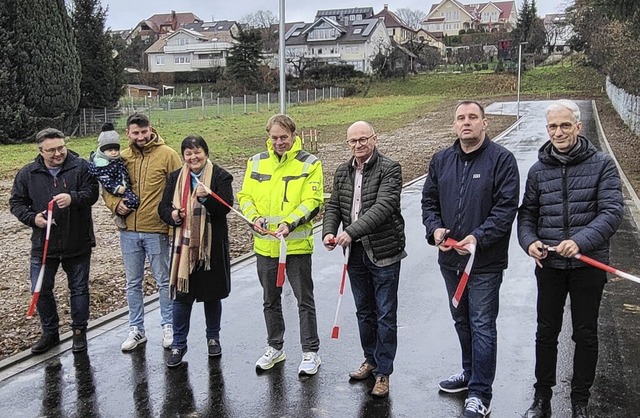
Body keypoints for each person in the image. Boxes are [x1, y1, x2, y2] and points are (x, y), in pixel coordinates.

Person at [518, 100, 624, 418]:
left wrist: (578, 242)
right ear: (547, 128)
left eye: (565, 125)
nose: (559, 131)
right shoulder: (538, 170)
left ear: (578, 127)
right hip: (549, 266)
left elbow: (611, 213)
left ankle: (580, 400)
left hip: (587, 265)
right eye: (553, 126)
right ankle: (542, 397)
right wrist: (530, 242)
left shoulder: (602, 165)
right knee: (546, 331)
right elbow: (527, 215)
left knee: (585, 332)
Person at [421, 100, 520, 418]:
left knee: (481, 324)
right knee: (461, 320)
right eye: (461, 118)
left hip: (485, 264)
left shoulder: (502, 160)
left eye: (472, 117)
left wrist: (478, 237)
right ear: (454, 125)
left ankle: (480, 393)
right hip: (450, 261)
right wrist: (435, 230)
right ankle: (468, 373)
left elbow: (506, 209)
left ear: (484, 123)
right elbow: (428, 201)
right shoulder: (441, 160)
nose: (466, 123)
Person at [322, 121, 406, 398]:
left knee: (385, 313)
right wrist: (329, 232)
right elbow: (334, 204)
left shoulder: (390, 168)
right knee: (364, 312)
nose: (358, 145)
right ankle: (370, 360)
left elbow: (384, 207)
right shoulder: (342, 171)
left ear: (374, 138)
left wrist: (350, 232)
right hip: (355, 253)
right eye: (353, 141)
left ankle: (384, 372)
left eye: (363, 139)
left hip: (384, 252)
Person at [237, 114, 324, 376]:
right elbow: (245, 196)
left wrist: (290, 223)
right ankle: (275, 347)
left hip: (295, 247)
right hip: (265, 247)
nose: (279, 142)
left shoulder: (310, 163)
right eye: (274, 137)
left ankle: (310, 352)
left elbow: (313, 200)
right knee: (269, 300)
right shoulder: (255, 162)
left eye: (284, 137)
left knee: (303, 300)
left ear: (293, 136)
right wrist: (254, 218)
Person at [10, 128, 99, 354]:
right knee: (40, 289)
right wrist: (34, 219)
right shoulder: (28, 173)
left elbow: (92, 194)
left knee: (78, 290)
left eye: (61, 147)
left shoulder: (80, 167)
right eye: (51, 150)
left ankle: (79, 332)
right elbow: (16, 203)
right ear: (41, 151)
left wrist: (73, 198)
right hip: (43, 246)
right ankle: (50, 332)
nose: (58, 153)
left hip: (77, 242)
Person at [102, 113, 182, 352]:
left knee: (164, 280)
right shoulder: (121, 158)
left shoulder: (168, 155)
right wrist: (116, 205)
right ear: (128, 133)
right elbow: (107, 187)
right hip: (128, 231)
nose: (140, 137)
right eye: (135, 133)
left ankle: (169, 325)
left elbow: (178, 190)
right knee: (133, 283)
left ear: (151, 130)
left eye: (143, 132)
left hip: (156, 230)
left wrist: (171, 225)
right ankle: (136, 329)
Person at [158, 135, 233, 368]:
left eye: (197, 152)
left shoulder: (220, 175)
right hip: (184, 248)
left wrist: (208, 197)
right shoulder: (175, 178)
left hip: (211, 249)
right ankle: (179, 344)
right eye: (188, 153)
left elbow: (225, 208)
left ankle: (213, 338)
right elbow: (163, 208)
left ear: (206, 153)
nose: (193, 157)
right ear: (183, 157)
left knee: (212, 295)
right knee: (182, 297)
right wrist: (173, 215)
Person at [88, 123, 139, 230]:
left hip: (124, 186)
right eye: (110, 151)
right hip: (119, 188)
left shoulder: (117, 160)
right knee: (133, 201)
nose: (114, 153)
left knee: (133, 201)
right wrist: (117, 189)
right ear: (103, 151)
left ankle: (122, 215)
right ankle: (119, 215)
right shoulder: (103, 165)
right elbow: (106, 182)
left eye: (116, 150)